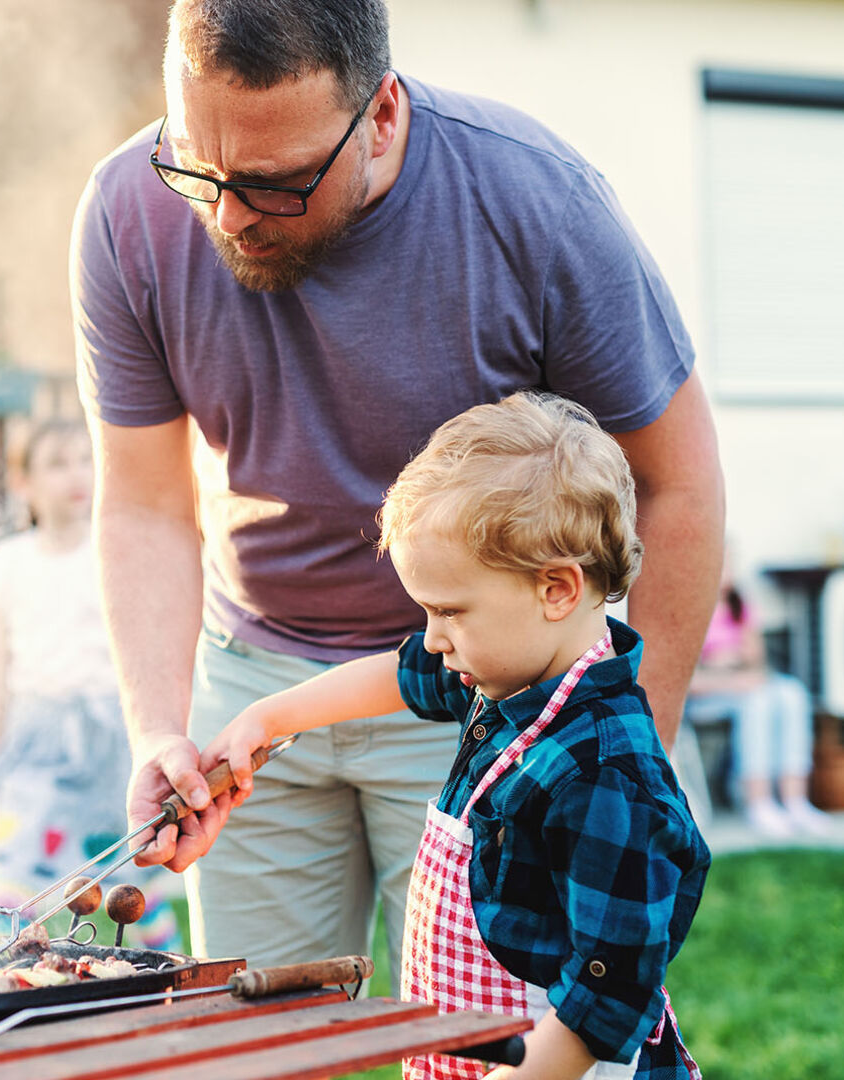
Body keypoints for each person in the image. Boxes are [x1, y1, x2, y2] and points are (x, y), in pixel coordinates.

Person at [70, 0, 725, 979]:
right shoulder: (125, 211)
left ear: (379, 115)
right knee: (255, 1041)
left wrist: (631, 755)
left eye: (276, 183)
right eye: (196, 166)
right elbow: (144, 504)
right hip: (252, 685)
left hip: (489, 683)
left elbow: (677, 484)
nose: (227, 214)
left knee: (492, 1041)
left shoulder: (536, 205)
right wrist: (164, 728)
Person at [206, 393, 708, 1080]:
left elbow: (606, 996)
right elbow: (400, 673)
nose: (433, 637)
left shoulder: (606, 774)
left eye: (448, 611)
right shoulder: (505, 675)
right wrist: (270, 718)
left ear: (557, 588)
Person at [0, 418, 180, 952]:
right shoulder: (6, 564)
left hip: (108, 736)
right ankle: (3, 973)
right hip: (36, 736)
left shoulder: (112, 553)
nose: (75, 474)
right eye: (56, 463)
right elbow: (4, 666)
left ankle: (141, 979)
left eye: (85, 459)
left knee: (112, 875)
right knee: (15, 868)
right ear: (23, 482)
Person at [685, 557, 830, 839]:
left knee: (792, 693)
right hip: (706, 698)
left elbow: (757, 663)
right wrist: (726, 675)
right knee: (757, 702)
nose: (727, 571)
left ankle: (795, 799)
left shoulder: (741, 607)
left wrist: (738, 665)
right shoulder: (689, 609)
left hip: (743, 686)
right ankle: (758, 800)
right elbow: (688, 680)